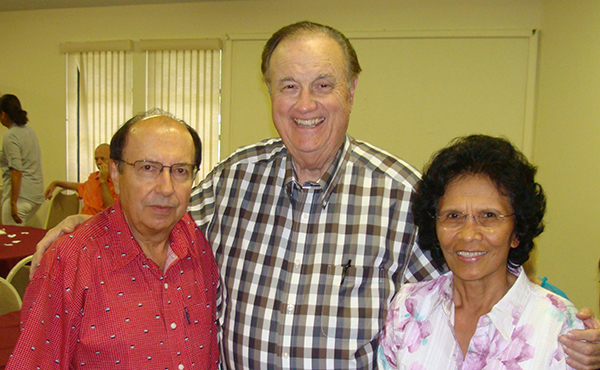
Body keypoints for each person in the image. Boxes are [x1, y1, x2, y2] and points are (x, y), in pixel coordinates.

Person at [32, 22, 600, 369]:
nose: (306, 104)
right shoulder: (232, 180)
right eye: (289, 86)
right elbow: (154, 217)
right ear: (271, 93)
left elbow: (478, 266)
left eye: (324, 85)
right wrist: (82, 224)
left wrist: (572, 326)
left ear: (351, 91)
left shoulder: (404, 195)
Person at [7, 110, 219, 369]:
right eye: (148, 168)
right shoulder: (70, 263)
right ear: (116, 175)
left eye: (180, 170)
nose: (166, 188)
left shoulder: (201, 244)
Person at [378, 135, 584, 369]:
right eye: (453, 216)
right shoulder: (408, 309)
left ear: (517, 232)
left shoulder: (560, 325)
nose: (468, 234)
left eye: (489, 216)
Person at [0, 94, 44, 225]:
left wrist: (13, 203)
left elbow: (16, 170)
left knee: (10, 239)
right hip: (35, 196)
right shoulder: (28, 131)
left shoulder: (10, 136)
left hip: (20, 197)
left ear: (3, 114)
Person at [44, 143, 117, 215]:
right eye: (96, 159)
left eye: (102, 159)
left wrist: (103, 181)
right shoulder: (93, 177)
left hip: (102, 223)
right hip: (84, 221)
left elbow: (112, 211)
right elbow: (81, 187)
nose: (98, 162)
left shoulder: (118, 181)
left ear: (112, 161)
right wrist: (56, 183)